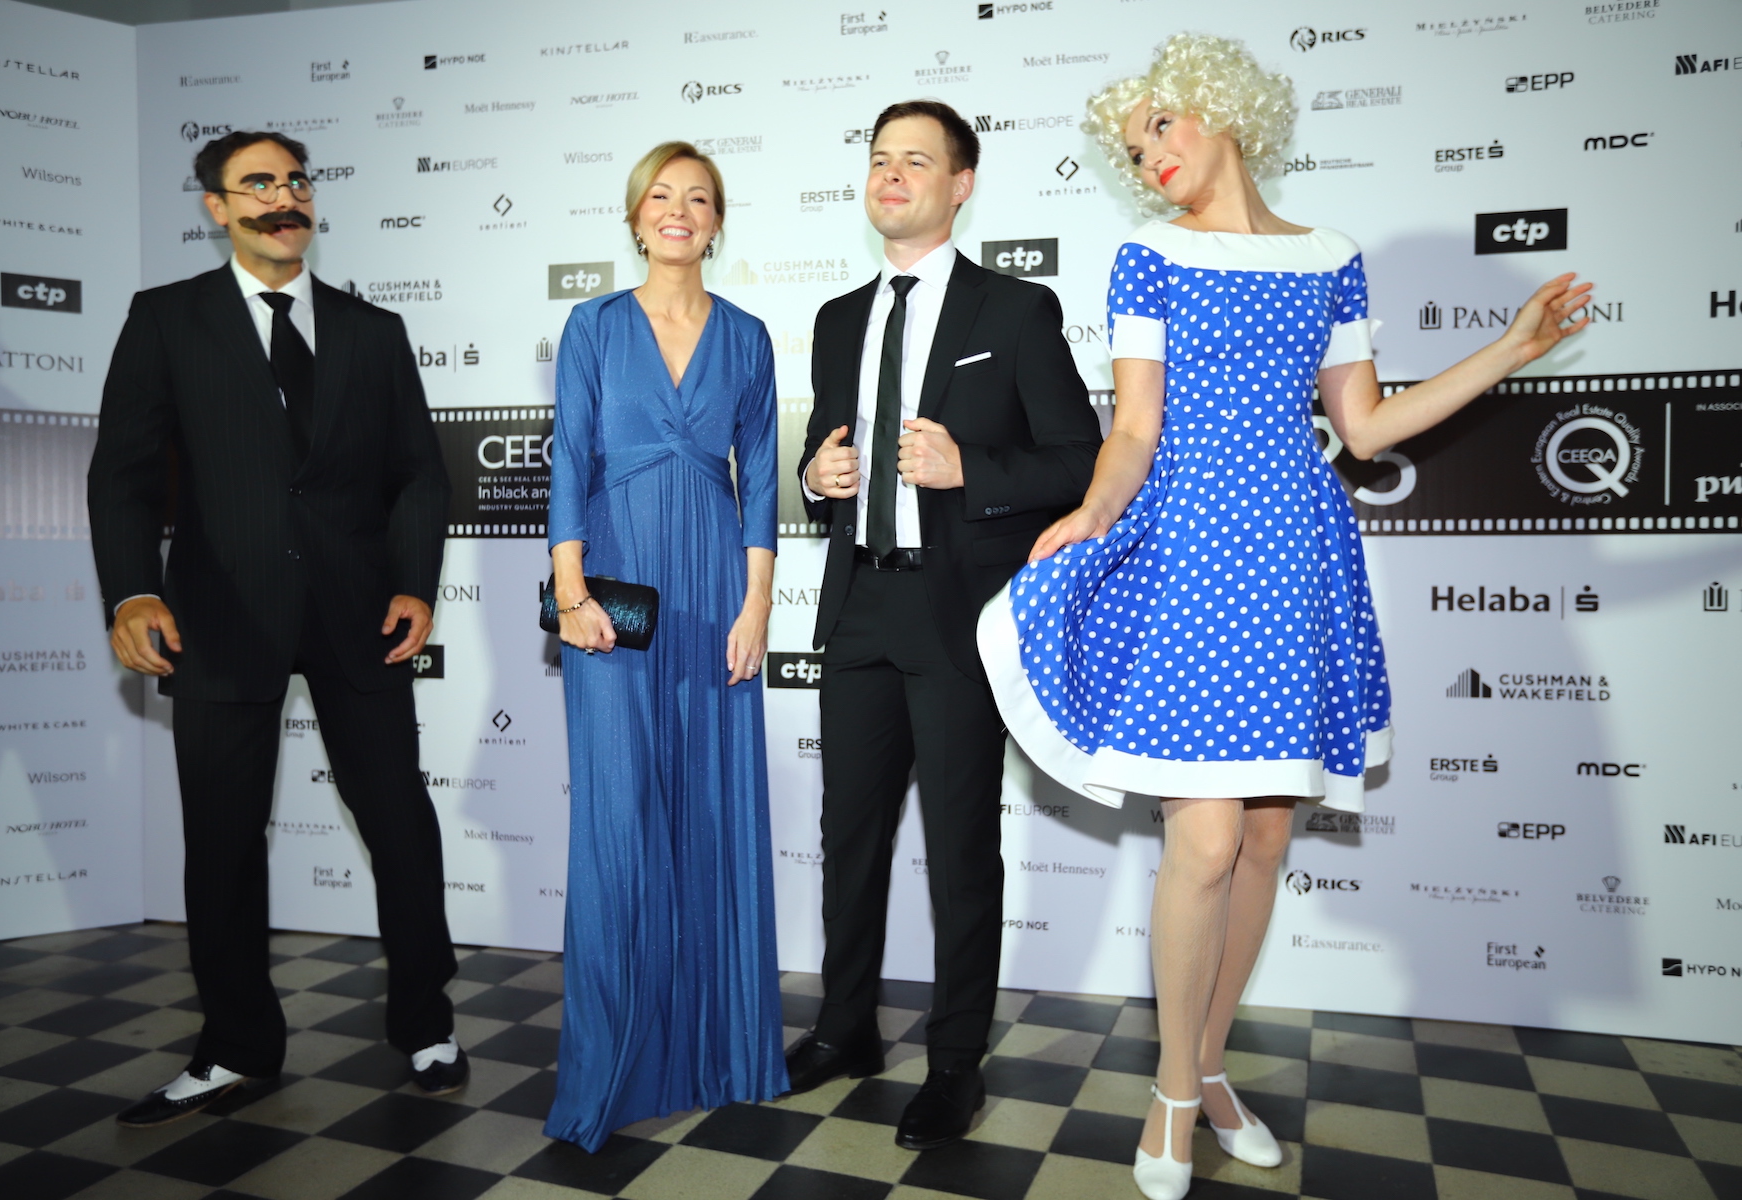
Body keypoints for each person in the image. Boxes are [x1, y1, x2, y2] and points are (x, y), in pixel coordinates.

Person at [977, 33, 1594, 1200]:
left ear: (1220, 111)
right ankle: (1171, 1095)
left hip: (1296, 552)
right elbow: (1134, 429)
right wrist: (1093, 515)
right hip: (1191, 551)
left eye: (1162, 127)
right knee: (1205, 840)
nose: (1149, 156)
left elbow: (1365, 428)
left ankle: (1210, 1070)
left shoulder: (1330, 256)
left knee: (1265, 839)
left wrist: (1511, 349)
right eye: (1133, 147)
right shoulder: (1149, 256)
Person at [89, 131, 465, 1128]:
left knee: (401, 826)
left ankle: (427, 1022)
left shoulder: (373, 330)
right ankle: (235, 1045)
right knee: (220, 843)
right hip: (217, 617)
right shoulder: (165, 319)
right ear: (216, 207)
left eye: (295, 180)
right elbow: (123, 473)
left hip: (359, 615)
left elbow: (419, 475)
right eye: (256, 184)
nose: (282, 198)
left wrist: (415, 584)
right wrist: (129, 592)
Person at [788, 100, 1102, 1151]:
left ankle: (956, 1063)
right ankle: (844, 1029)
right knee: (849, 838)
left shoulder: (1014, 310)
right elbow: (827, 458)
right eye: (880, 159)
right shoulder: (839, 317)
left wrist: (972, 468)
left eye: (915, 161)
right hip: (858, 607)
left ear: (961, 185)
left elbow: (1080, 461)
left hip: (958, 615)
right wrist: (816, 478)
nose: (891, 175)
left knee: (962, 848)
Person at [544, 141, 785, 1152]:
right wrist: (569, 593)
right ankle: (612, 1068)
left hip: (716, 590)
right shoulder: (594, 326)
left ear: (716, 222)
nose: (677, 210)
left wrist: (757, 606)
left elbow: (761, 477)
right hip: (614, 591)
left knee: (712, 817)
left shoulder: (748, 336)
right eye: (660, 195)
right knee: (618, 825)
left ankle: (719, 1052)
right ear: (636, 216)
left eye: (698, 198)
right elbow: (568, 457)